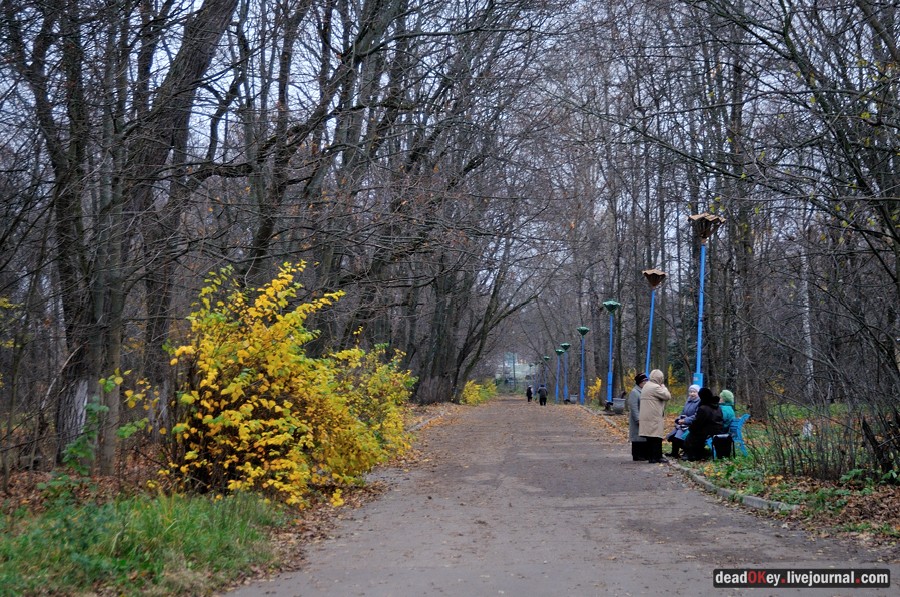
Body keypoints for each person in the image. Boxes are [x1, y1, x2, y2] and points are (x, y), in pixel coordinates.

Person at [638, 369, 671, 463]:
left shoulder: (646, 386)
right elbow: (667, 396)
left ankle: (651, 457)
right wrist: (664, 387)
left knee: (650, 437)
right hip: (654, 416)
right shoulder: (655, 387)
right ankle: (657, 457)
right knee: (656, 437)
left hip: (646, 416)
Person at [683, 387, 725, 461]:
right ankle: (698, 453)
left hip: (709, 431)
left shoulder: (703, 408)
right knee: (696, 433)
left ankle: (691, 455)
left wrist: (691, 429)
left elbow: (697, 422)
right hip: (719, 429)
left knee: (692, 435)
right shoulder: (717, 407)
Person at [666, 384, 701, 459]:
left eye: (694, 392)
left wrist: (685, 420)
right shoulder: (688, 401)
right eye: (691, 392)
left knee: (679, 437)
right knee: (673, 435)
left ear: (698, 393)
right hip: (683, 423)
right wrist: (678, 419)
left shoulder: (699, 402)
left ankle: (687, 452)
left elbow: (696, 415)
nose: (692, 394)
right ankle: (674, 453)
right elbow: (683, 412)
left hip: (691, 424)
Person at [627, 373, 649, 461]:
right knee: (637, 438)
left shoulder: (643, 391)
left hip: (643, 418)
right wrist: (637, 419)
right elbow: (634, 407)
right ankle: (637, 455)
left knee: (642, 438)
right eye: (644, 381)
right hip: (637, 418)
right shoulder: (634, 392)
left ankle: (643, 454)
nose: (646, 383)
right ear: (640, 382)